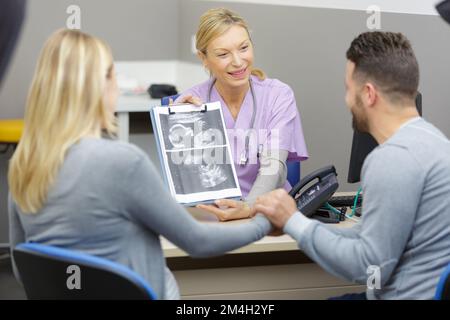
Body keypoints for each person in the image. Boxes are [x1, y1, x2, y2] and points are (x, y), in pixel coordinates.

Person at [7, 29, 273, 300]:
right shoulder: (123, 161)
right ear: (101, 86)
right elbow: (198, 242)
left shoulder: (25, 163)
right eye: (113, 74)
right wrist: (264, 223)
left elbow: (22, 269)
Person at [254, 31, 450, 300]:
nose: (347, 101)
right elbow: (373, 236)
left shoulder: (392, 159)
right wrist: (294, 223)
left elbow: (367, 265)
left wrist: (293, 220)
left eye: (349, 90)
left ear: (368, 94)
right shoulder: (435, 141)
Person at [176, 8, 308, 221]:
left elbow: (273, 166)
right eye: (223, 54)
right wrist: (186, 121)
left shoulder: (278, 95)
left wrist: (249, 207)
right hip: (211, 215)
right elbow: (191, 181)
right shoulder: (190, 102)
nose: (238, 61)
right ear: (204, 58)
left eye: (244, 48)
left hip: (268, 212)